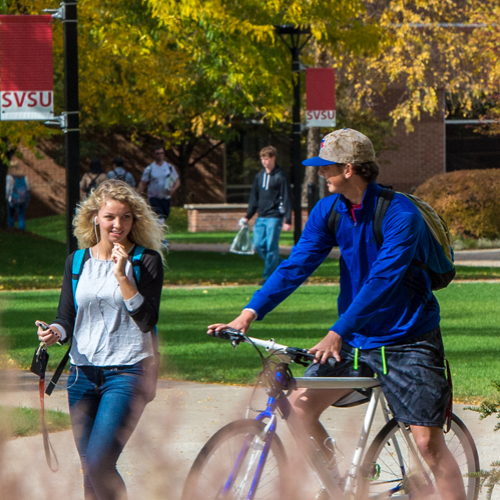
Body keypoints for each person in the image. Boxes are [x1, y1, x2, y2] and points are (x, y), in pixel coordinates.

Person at [208, 128, 465, 500]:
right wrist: (250, 312)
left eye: (324, 167)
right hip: (356, 341)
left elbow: (382, 282)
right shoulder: (330, 210)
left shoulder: (400, 214)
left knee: (426, 443)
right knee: (298, 409)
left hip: (407, 340)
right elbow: (296, 266)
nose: (319, 174)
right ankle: (343, 485)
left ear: (348, 169)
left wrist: (337, 331)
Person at [36, 179, 164, 500]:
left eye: (125, 217)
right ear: (95, 217)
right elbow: (67, 316)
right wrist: (55, 332)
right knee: (88, 467)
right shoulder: (77, 262)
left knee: (99, 462)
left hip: (127, 373)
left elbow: (147, 320)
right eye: (110, 217)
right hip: (81, 374)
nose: (117, 225)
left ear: (135, 221)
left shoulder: (145, 260)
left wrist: (122, 276)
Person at [242, 146, 292, 285]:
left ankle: (268, 278)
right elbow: (254, 197)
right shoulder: (259, 176)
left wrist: (288, 219)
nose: (264, 162)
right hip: (261, 216)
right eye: (262, 159)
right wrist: (248, 216)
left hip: (275, 217)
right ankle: (284, 266)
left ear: (273, 158)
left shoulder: (280, 176)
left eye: (267, 158)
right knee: (258, 245)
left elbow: (287, 197)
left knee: (271, 247)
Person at [138, 145, 180, 225]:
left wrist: (173, 189)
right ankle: (161, 237)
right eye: (158, 153)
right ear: (153, 155)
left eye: (162, 153)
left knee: (164, 216)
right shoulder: (150, 169)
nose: (160, 155)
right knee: (160, 218)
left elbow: (177, 180)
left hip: (165, 197)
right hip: (153, 198)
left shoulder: (169, 167)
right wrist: (138, 196)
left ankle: (158, 235)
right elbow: (143, 183)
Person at [6, 161, 30, 231]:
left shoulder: (9, 177)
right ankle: (22, 232)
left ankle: (11, 230)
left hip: (12, 200)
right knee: (21, 216)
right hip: (23, 200)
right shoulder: (24, 177)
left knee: (10, 216)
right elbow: (28, 188)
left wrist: (6, 198)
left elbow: (7, 189)